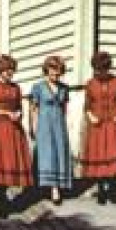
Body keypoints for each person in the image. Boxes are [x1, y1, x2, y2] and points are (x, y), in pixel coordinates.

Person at [0, 53, 32, 217]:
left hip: (13, 128)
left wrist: (17, 114)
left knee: (10, 162)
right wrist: (5, 113)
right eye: (6, 70)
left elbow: (19, 107)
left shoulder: (16, 88)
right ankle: (2, 198)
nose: (9, 73)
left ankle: (8, 196)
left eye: (11, 70)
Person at [80, 50, 116, 203]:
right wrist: (91, 116)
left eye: (102, 69)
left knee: (113, 155)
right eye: (97, 69)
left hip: (114, 123)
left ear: (107, 68)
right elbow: (87, 105)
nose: (100, 73)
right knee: (99, 155)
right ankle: (101, 188)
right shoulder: (90, 84)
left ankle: (113, 187)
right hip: (98, 124)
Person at [29, 55, 73, 204]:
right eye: (53, 70)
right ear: (47, 70)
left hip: (59, 124)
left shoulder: (64, 88)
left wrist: (63, 124)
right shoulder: (38, 87)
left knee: (59, 152)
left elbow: (65, 109)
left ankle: (56, 188)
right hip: (44, 124)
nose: (55, 74)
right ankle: (43, 187)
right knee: (46, 154)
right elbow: (33, 109)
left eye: (58, 71)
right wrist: (33, 127)